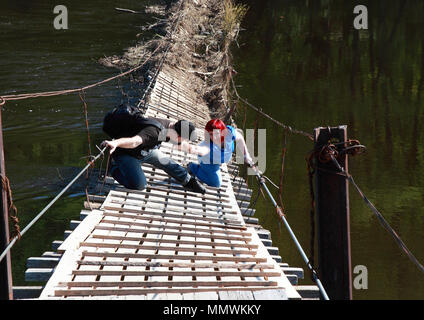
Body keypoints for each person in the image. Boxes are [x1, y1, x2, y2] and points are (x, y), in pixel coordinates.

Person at [101, 114, 206, 194]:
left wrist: (197, 150)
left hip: (145, 151)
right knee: (139, 185)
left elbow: (181, 144)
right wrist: (116, 143)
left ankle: (189, 181)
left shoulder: (170, 127)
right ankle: (113, 168)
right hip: (126, 153)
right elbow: (134, 142)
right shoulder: (154, 132)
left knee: (167, 162)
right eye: (182, 139)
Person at [183, 119, 255, 188]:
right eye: (211, 134)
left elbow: (240, 138)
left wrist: (246, 155)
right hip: (208, 161)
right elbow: (195, 149)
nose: (214, 137)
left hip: (218, 159)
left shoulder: (229, 133)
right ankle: (193, 167)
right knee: (216, 183)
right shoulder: (207, 145)